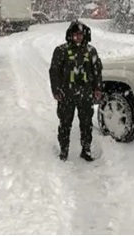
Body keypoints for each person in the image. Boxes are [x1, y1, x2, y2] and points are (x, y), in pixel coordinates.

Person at [49, 20, 103, 162]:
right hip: (67, 94)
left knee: (86, 124)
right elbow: (54, 72)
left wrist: (97, 88)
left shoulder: (91, 51)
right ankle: (64, 151)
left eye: (81, 34)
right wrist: (56, 90)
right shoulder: (61, 51)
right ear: (70, 35)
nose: (78, 37)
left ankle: (86, 150)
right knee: (65, 124)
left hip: (85, 94)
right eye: (76, 34)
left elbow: (97, 71)